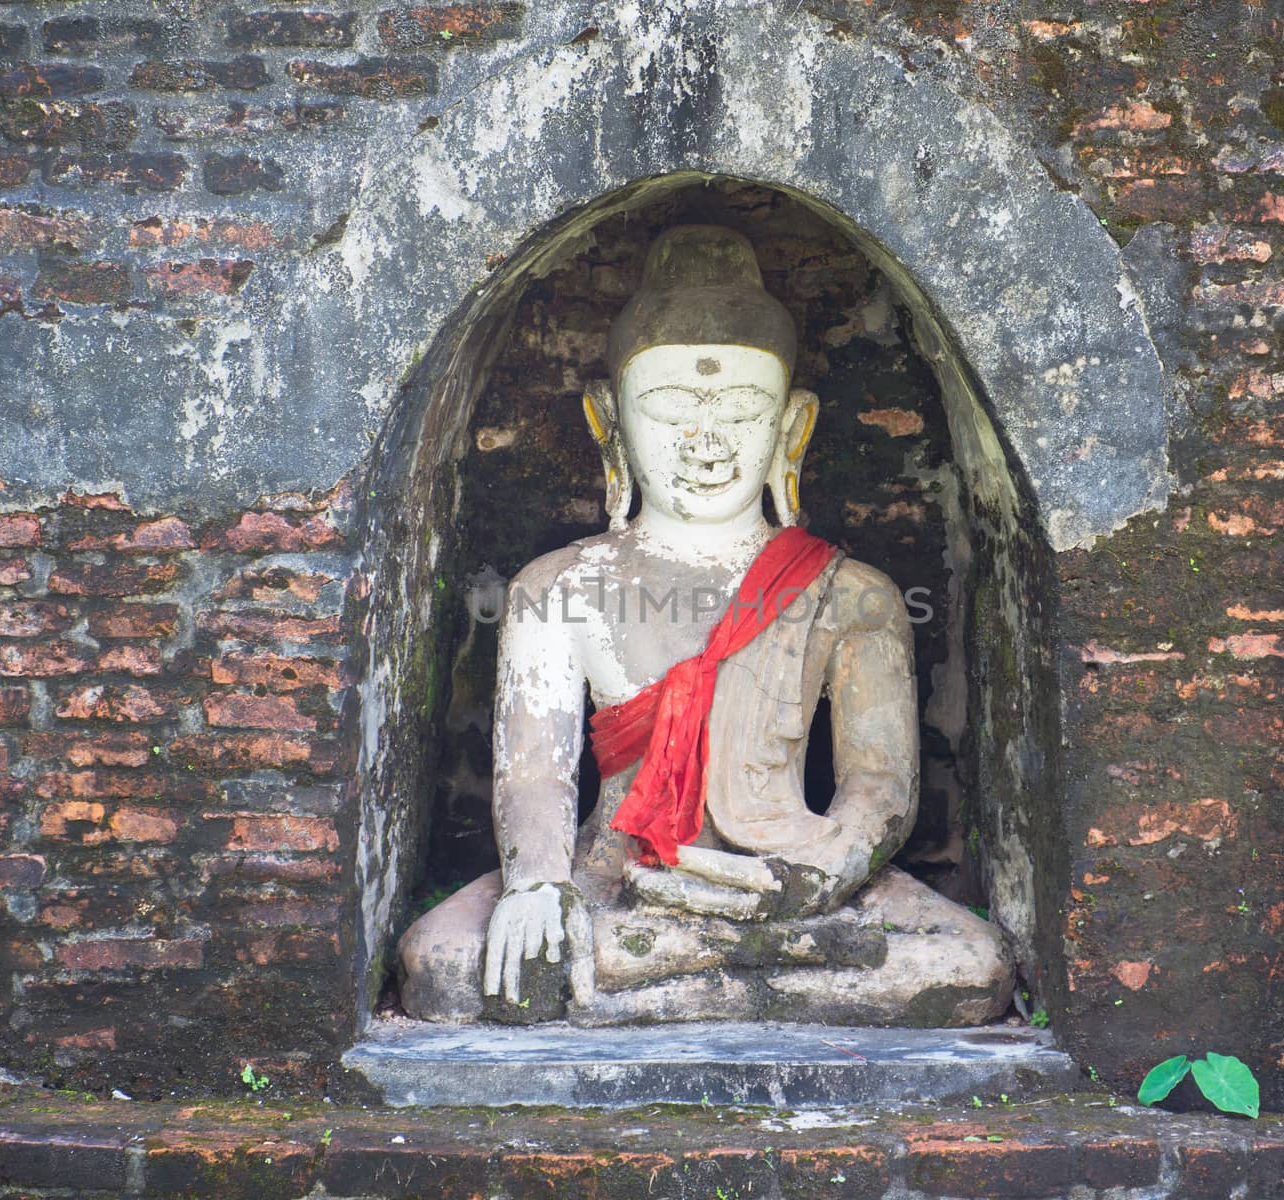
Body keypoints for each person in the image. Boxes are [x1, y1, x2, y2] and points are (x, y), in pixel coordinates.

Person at [398, 226, 1012, 1026]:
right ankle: (745, 973)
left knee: (970, 962)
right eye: (672, 407)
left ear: (791, 427)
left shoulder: (852, 593)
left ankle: (657, 978)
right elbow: (536, 774)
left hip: (790, 872)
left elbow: (877, 783)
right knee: (442, 964)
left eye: (740, 408)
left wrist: (829, 866)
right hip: (616, 874)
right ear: (608, 422)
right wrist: (538, 886)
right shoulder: (560, 587)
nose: (709, 441)